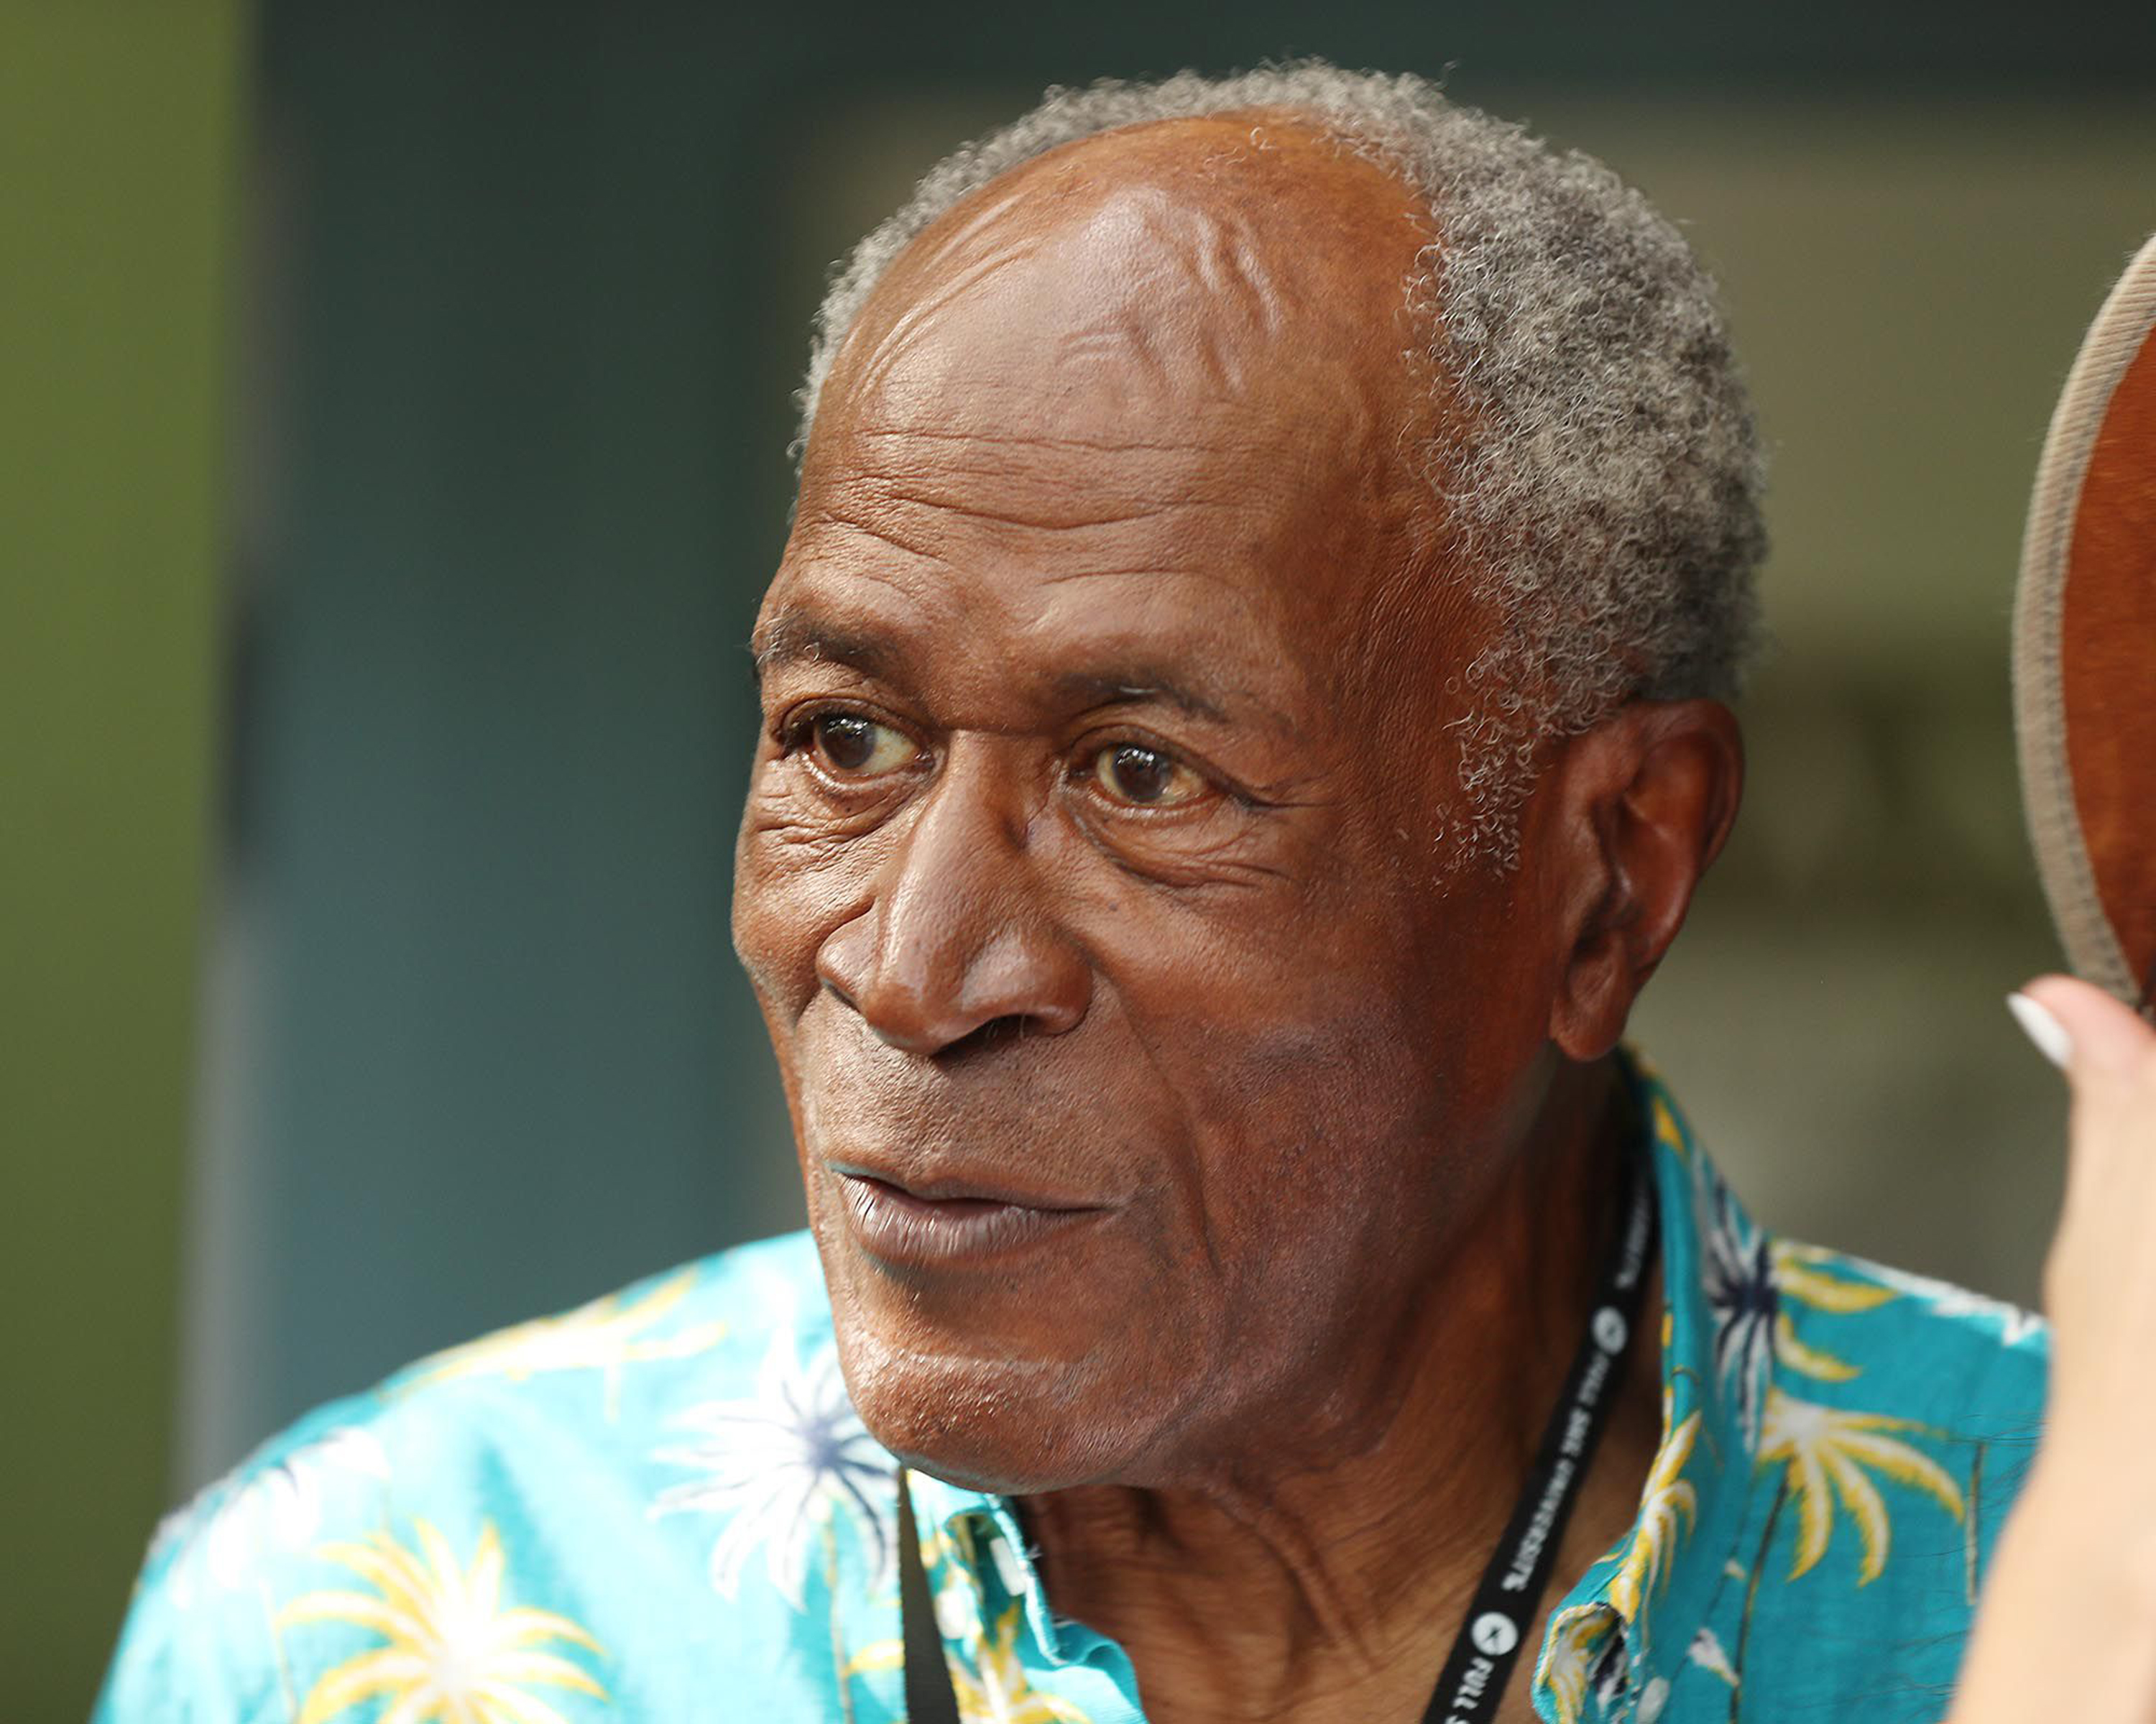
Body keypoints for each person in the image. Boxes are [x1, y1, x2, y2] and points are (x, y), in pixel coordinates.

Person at [97, 65, 2053, 1724]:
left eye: (1142, 776)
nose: (915, 966)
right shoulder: (366, 1620)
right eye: (845, 738)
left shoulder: (2055, 1566)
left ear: (1609, 880)